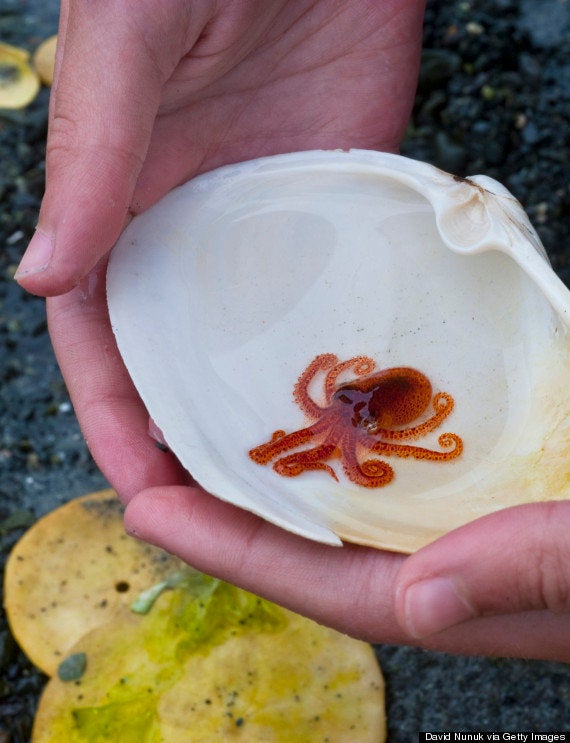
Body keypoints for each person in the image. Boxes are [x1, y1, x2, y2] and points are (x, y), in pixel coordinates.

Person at [15, 0, 570, 661]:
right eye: (343, 403)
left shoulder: (365, 409)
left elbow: (359, 407)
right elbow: (345, 402)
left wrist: (344, 398)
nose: (336, 420)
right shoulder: (352, 407)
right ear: (344, 391)